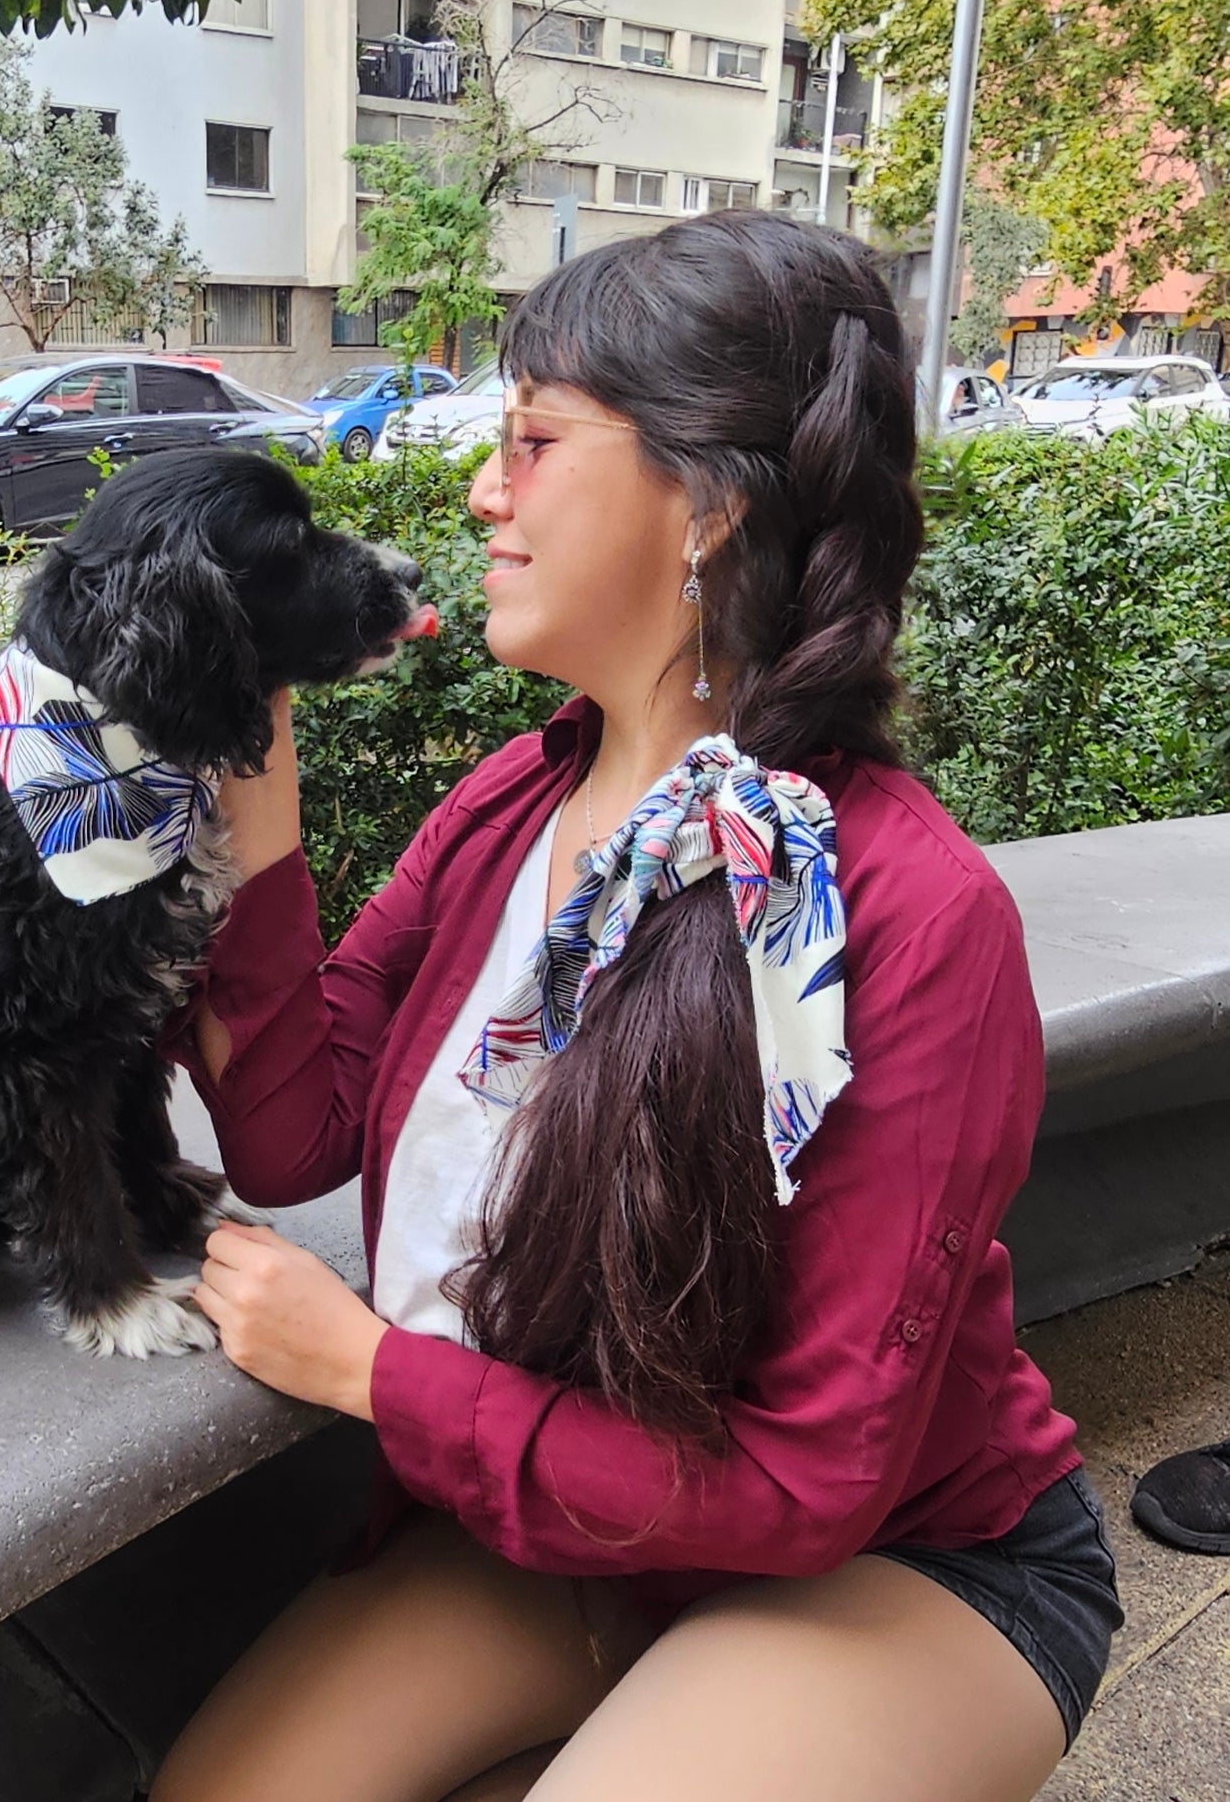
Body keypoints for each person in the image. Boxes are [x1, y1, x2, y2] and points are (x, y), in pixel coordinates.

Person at [151, 212, 1122, 1802]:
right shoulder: (503, 812)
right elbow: (290, 1127)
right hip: (570, 1529)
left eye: (533, 442)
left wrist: (376, 1372)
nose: (483, 494)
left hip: (904, 1563)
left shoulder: (908, 911)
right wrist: (252, 766)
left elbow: (808, 1478)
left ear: (710, 505)